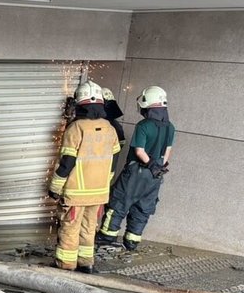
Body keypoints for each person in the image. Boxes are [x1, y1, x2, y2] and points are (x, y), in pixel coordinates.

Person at [48, 81, 120, 273]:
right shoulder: (109, 128)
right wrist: (107, 181)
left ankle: (65, 264)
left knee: (70, 227)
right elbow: (114, 158)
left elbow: (67, 163)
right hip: (99, 192)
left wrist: (55, 188)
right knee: (89, 228)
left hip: (76, 192)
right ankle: (86, 263)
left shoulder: (76, 128)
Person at [96, 86, 175, 250]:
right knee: (143, 208)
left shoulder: (144, 125)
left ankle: (106, 237)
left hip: (137, 171)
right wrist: (158, 167)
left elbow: (139, 151)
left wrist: (149, 163)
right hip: (156, 175)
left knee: (119, 203)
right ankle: (132, 241)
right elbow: (168, 151)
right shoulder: (170, 127)